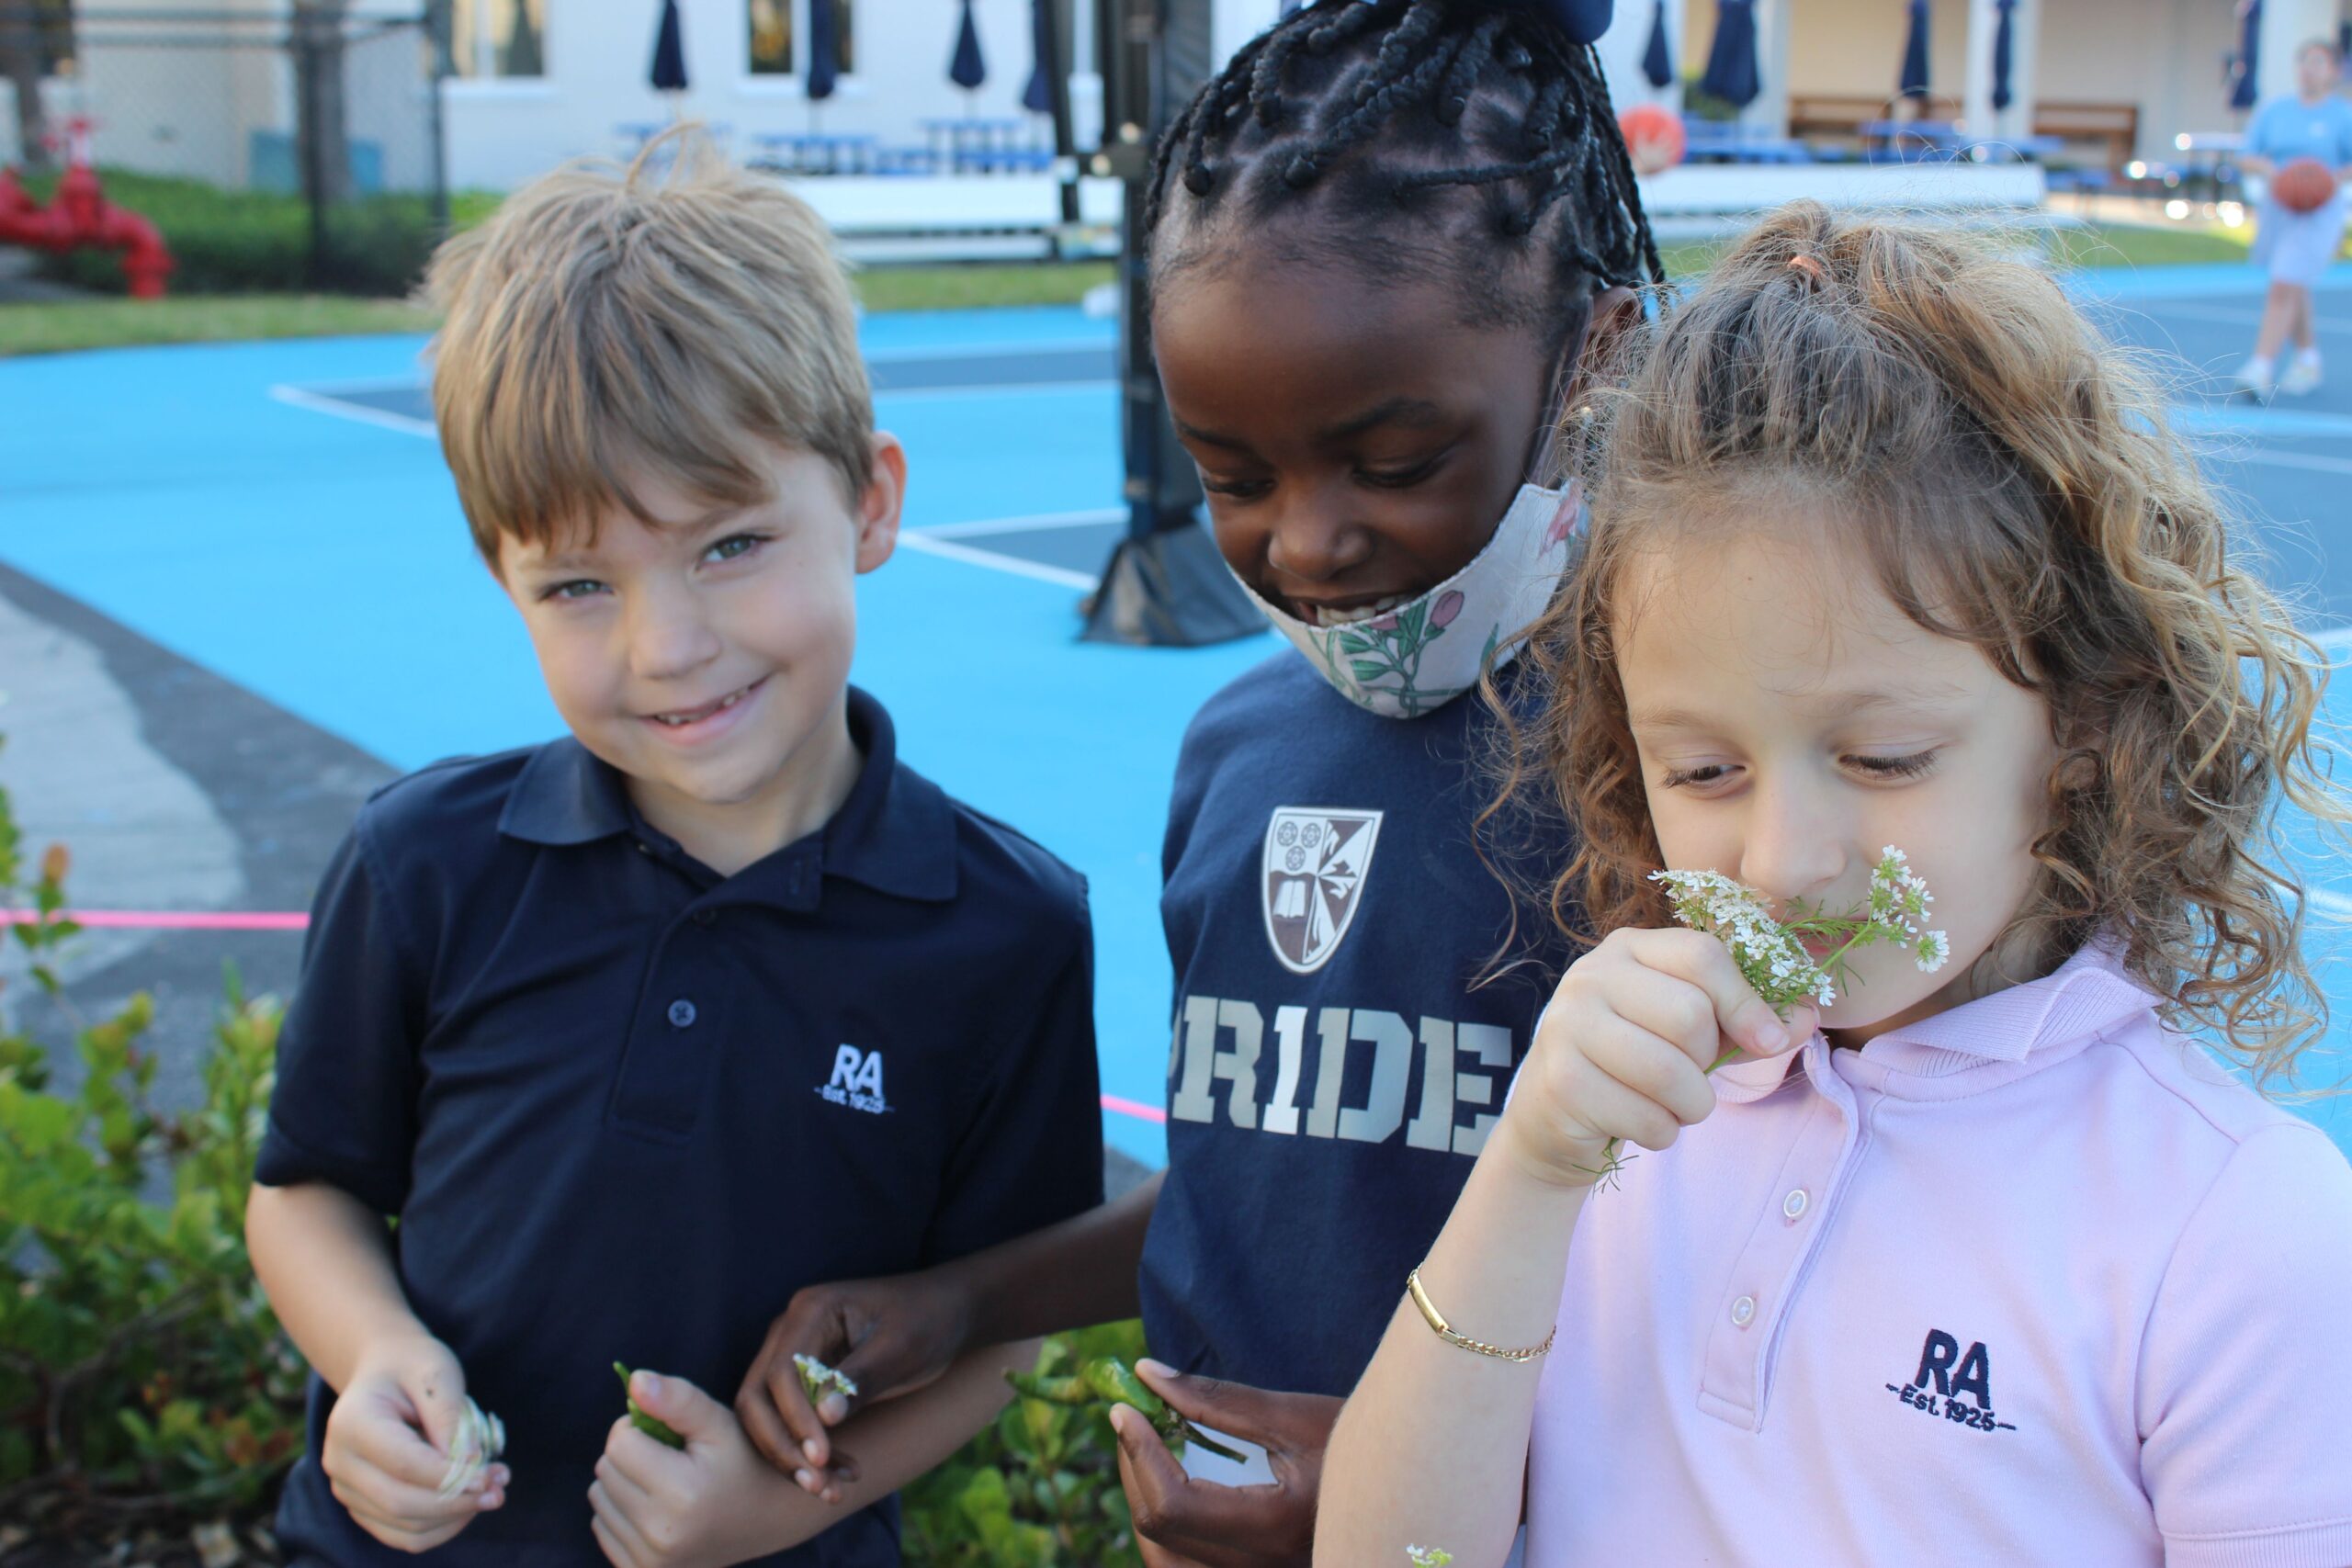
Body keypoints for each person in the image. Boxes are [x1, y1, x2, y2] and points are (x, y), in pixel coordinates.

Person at [728, 1, 1657, 1562]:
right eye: (1232, 476)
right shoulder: (1239, 748)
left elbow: (1757, 1300)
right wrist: (965, 1298)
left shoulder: (1666, 777)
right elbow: (1275, 1183)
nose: (1303, 544)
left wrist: (1396, 1492)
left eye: (1397, 456)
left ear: (1595, 356)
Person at [1319, 203, 2352, 1567]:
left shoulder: (2237, 1227)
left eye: (1882, 755)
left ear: (2087, 724)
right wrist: (1530, 1163)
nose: (1784, 859)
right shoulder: (1629, 1119)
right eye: (1701, 769)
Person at [243, 131, 1105, 1568]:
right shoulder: (426, 864)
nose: (668, 647)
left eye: (729, 545)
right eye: (580, 582)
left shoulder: (1006, 927)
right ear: (503, 578)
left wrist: (780, 1505)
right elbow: (307, 1189)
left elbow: (996, 1324)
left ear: (872, 501)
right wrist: (375, 1352)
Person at [2233, 38, 2352, 397]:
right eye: (2304, 62)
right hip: (2280, 204)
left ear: (2333, 71)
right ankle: (2308, 358)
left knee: (2284, 280)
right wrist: (2273, 172)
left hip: (2320, 209)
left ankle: (2260, 366)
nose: (2309, 69)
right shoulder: (2276, 110)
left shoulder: (2342, 115)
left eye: (2318, 63)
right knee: (2291, 279)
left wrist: (2330, 179)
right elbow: (2246, 155)